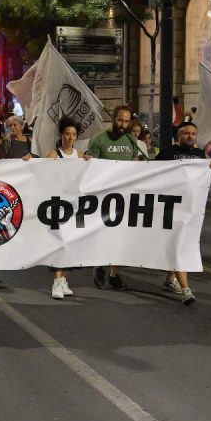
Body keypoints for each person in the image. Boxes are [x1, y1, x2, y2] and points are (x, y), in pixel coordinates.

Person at [154, 122, 211, 305]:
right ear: (178, 136)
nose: (190, 136)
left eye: (193, 133)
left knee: (181, 243)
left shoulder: (199, 155)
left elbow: (202, 181)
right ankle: (185, 289)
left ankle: (169, 279)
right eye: (186, 133)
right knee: (179, 244)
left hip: (191, 208)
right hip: (171, 207)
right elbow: (152, 176)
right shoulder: (166, 154)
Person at [85, 105, 141, 290]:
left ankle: (114, 274)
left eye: (126, 121)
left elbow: (135, 165)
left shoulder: (131, 140)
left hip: (124, 196)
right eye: (120, 120)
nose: (123, 124)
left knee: (119, 237)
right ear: (113, 119)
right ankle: (99, 266)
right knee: (104, 235)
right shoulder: (99, 139)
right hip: (103, 196)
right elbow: (89, 167)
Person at [44, 118, 84, 299]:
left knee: (70, 244)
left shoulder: (80, 155)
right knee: (61, 242)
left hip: (74, 206)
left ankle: (63, 280)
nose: (70, 137)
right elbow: (39, 173)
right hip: (57, 204)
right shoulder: (53, 154)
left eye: (73, 134)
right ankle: (56, 281)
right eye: (67, 134)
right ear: (62, 135)